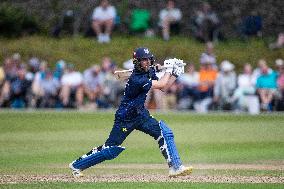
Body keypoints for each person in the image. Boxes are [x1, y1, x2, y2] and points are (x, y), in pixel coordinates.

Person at [69, 47, 193, 177]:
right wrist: (169, 69)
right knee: (110, 150)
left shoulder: (148, 72)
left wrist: (175, 74)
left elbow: (164, 87)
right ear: (137, 62)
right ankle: (77, 165)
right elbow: (162, 84)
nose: (147, 62)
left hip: (140, 114)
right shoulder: (137, 79)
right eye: (143, 60)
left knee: (164, 132)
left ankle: (175, 167)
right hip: (125, 117)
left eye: (148, 59)